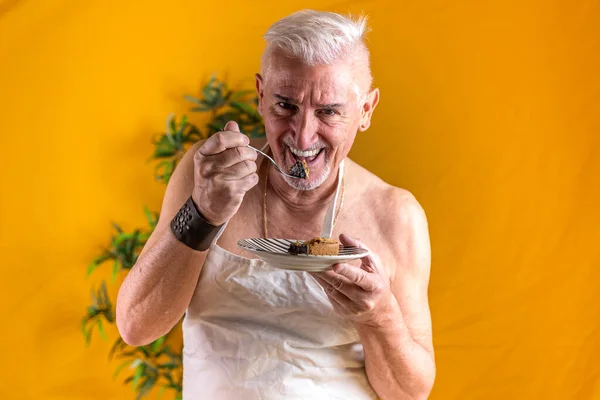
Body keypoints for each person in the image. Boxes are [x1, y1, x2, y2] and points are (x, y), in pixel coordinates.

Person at [116, 9, 435, 400]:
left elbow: (409, 394)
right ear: (261, 96)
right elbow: (136, 326)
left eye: (329, 111)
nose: (302, 136)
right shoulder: (208, 173)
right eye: (285, 106)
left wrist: (378, 315)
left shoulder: (395, 215)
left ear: (366, 111)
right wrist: (202, 212)